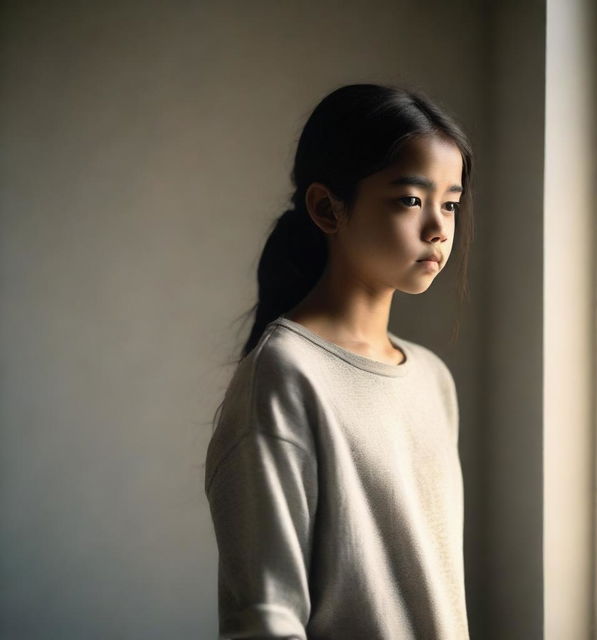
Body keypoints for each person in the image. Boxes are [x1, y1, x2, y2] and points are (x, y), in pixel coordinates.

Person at [204, 82, 474, 640]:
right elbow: (266, 618)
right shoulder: (285, 374)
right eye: (410, 200)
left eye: (449, 203)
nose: (438, 228)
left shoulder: (432, 379)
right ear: (328, 208)